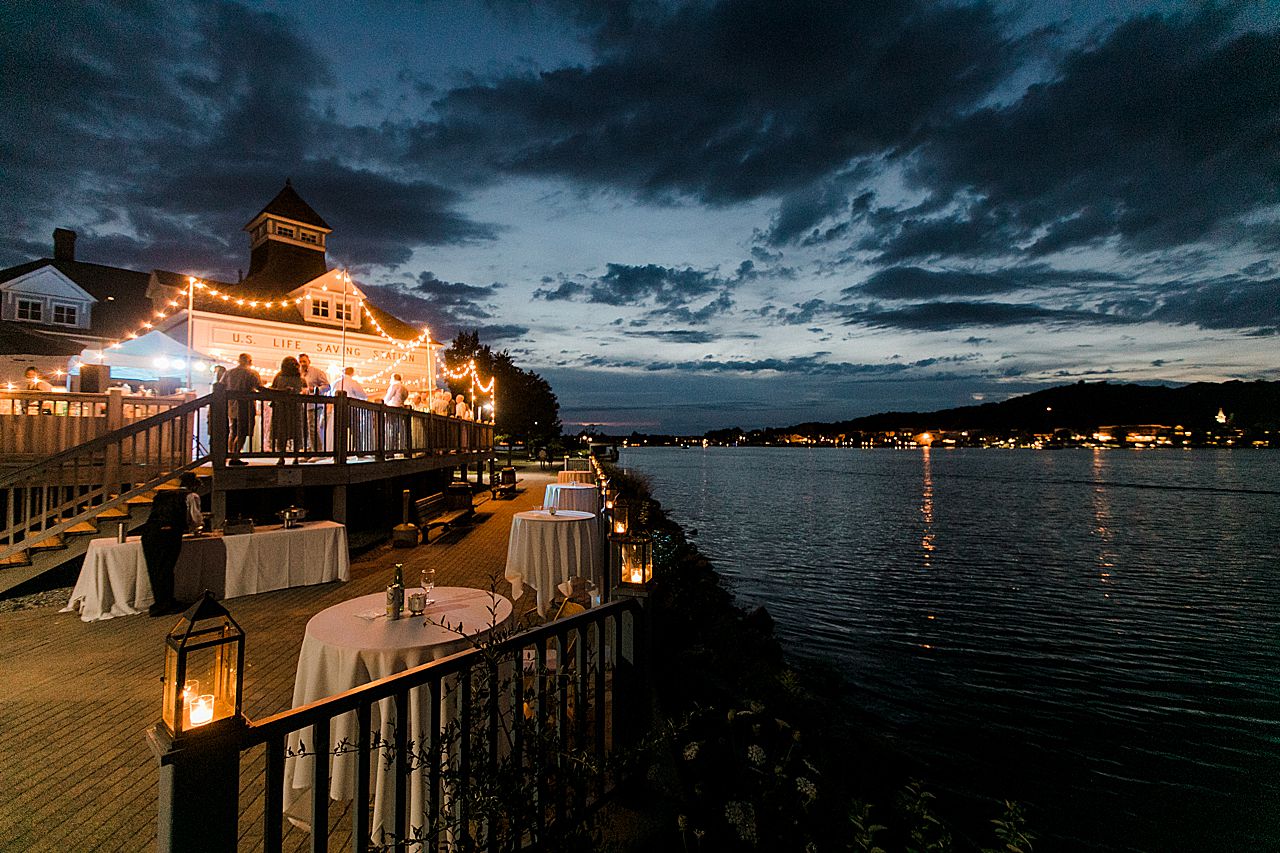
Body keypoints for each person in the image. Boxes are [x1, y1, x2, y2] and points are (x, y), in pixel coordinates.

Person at [141, 472, 202, 617]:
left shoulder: (163, 494)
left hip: (150, 533)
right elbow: (195, 518)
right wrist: (195, 528)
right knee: (166, 569)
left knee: (156, 569)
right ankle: (164, 604)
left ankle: (162, 601)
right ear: (193, 485)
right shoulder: (191, 496)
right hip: (169, 533)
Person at [223, 353, 262, 465]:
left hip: (232, 406)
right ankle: (235, 456)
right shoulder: (252, 373)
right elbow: (259, 388)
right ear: (249, 361)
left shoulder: (229, 373)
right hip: (246, 406)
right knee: (242, 432)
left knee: (233, 431)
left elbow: (221, 386)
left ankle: (230, 454)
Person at [269, 356, 305, 464]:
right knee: (290, 432)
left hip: (286, 407)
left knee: (286, 432)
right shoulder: (298, 377)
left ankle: (286, 456)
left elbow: (272, 388)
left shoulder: (280, 376)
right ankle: (291, 457)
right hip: (289, 407)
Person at [298, 353, 329, 456]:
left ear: (309, 361)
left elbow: (327, 386)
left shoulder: (317, 372)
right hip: (302, 404)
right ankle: (308, 451)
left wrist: (314, 389)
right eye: (300, 361)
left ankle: (317, 451)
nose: (302, 364)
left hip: (315, 404)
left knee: (313, 428)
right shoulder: (298, 373)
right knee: (305, 429)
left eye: (304, 361)